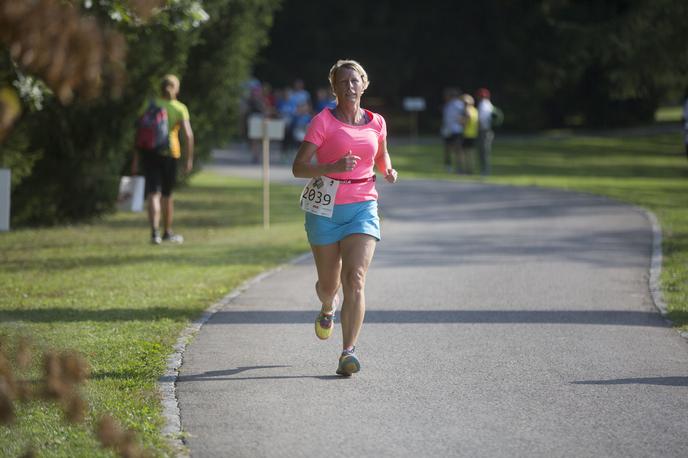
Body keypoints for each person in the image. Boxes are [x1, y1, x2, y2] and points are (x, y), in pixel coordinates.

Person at [292, 59, 398, 376]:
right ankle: (328, 307)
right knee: (329, 285)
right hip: (325, 208)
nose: (349, 86)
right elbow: (298, 167)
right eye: (342, 82)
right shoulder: (323, 122)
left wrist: (387, 169)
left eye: (354, 81)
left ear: (364, 84)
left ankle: (347, 352)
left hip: (363, 205)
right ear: (334, 88)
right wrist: (331, 166)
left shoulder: (377, 122)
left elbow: (380, 153)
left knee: (354, 279)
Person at [132, 74, 194, 244]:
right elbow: (188, 135)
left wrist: (136, 159)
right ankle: (167, 232)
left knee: (153, 193)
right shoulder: (179, 108)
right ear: (176, 89)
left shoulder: (150, 104)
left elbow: (140, 132)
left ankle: (154, 233)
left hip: (149, 152)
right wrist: (189, 159)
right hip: (170, 153)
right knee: (167, 195)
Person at [475, 87, 502, 175]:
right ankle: (485, 170)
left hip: (484, 131)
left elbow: (481, 119)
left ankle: (485, 171)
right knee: (485, 151)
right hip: (488, 130)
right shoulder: (489, 104)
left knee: (484, 152)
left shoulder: (483, 105)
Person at [441, 88, 466, 173]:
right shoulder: (448, 105)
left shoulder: (459, 105)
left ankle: (459, 168)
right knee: (448, 149)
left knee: (458, 150)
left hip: (456, 130)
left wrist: (462, 122)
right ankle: (449, 166)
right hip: (448, 130)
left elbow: (465, 116)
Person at [461, 94, 478, 174]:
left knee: (465, 154)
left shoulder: (468, 110)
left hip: (467, 134)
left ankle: (466, 170)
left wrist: (461, 121)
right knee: (470, 154)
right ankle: (470, 169)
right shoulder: (475, 110)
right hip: (473, 134)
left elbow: (467, 119)